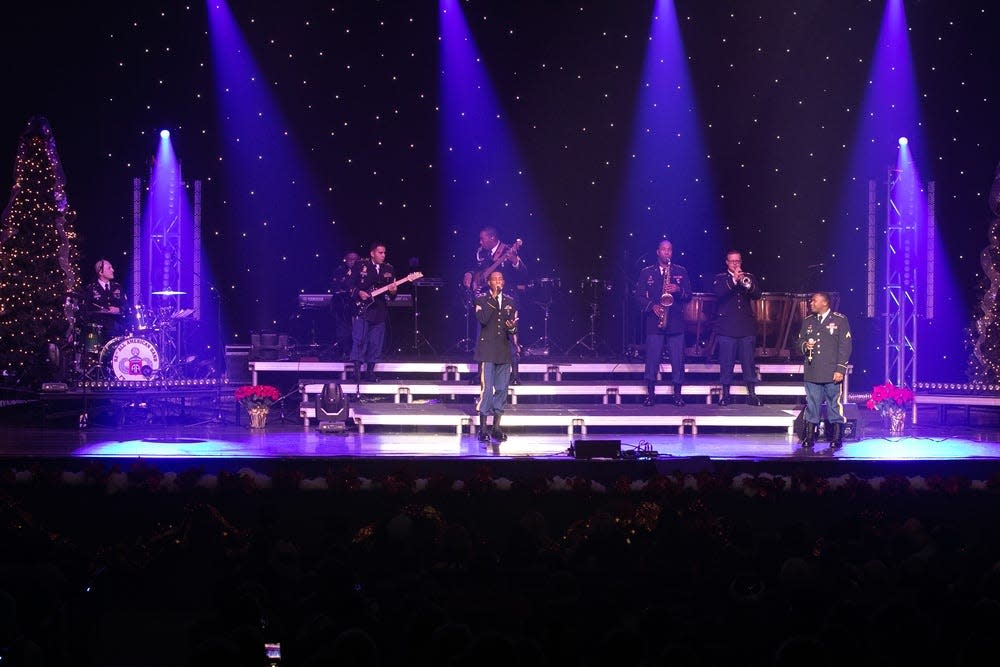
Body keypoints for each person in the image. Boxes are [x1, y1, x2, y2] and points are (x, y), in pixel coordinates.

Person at [635, 239, 692, 407]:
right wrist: (652, 306)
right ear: (658, 252)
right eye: (664, 250)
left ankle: (677, 395)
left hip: (676, 322)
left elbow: (688, 295)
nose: (667, 252)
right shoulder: (647, 272)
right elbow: (638, 296)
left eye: (670, 250)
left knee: (677, 360)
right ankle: (650, 394)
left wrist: (678, 290)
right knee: (652, 359)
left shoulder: (681, 271)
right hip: (655, 322)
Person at [796, 292, 852, 449]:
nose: (811, 303)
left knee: (833, 404)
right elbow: (799, 341)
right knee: (812, 404)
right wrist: (804, 346)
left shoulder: (840, 320)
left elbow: (845, 346)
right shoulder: (808, 321)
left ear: (825, 303)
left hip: (831, 371)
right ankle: (809, 436)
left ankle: (836, 437)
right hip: (812, 370)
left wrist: (840, 369)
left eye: (814, 301)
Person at [712, 250, 763, 406]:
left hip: (746, 327)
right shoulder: (720, 279)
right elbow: (718, 294)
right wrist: (734, 280)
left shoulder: (749, 276)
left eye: (738, 261)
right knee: (726, 362)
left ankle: (752, 394)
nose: (735, 264)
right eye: (732, 261)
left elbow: (757, 295)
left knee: (748, 362)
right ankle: (725, 395)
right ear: (727, 262)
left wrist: (746, 283)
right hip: (727, 328)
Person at [474, 271, 518, 444]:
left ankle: (496, 427)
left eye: (500, 279)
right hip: (487, 351)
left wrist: (513, 328)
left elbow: (511, 329)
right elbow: (483, 319)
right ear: (489, 282)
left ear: (504, 282)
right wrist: (493, 298)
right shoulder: (481, 300)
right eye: (495, 279)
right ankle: (483, 428)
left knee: (501, 389)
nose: (498, 282)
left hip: (503, 351)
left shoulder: (510, 302)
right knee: (487, 390)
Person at [348, 243, 396, 383]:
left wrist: (393, 291)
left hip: (379, 311)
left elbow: (392, 294)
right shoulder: (360, 266)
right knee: (359, 340)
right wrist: (359, 292)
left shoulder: (389, 269)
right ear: (372, 253)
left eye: (384, 253)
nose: (383, 255)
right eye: (380, 252)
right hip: (363, 310)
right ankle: (356, 372)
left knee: (376, 343)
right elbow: (348, 284)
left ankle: (370, 372)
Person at [81, 259, 128, 340]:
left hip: (117, 329)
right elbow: (85, 310)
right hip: (97, 330)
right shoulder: (90, 289)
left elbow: (126, 305)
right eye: (109, 268)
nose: (113, 270)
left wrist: (119, 310)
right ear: (101, 272)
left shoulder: (117, 287)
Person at [471, 226, 524, 293]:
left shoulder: (507, 249)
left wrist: (515, 261)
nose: (480, 242)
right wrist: (470, 274)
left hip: (507, 296)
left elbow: (524, 273)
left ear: (492, 238)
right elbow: (477, 269)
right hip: (487, 297)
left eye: (482, 239)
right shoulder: (482, 252)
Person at [332, 251, 360, 358]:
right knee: (343, 330)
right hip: (342, 306)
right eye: (350, 259)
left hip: (357, 305)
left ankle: (356, 353)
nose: (352, 262)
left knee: (357, 330)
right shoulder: (340, 271)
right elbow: (336, 287)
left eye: (354, 259)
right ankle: (344, 352)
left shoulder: (362, 271)